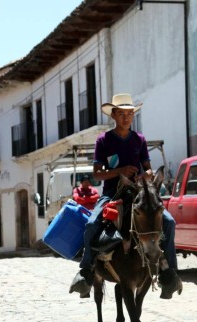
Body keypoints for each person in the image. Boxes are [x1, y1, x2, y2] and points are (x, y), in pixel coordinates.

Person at [69, 93, 179, 298]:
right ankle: (86, 271)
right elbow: (97, 174)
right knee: (92, 225)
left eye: (130, 114)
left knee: (169, 222)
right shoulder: (104, 141)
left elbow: (148, 168)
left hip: (138, 192)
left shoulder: (139, 139)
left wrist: (148, 174)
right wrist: (119, 172)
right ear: (113, 115)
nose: (127, 118)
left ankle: (170, 273)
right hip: (112, 193)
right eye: (122, 114)